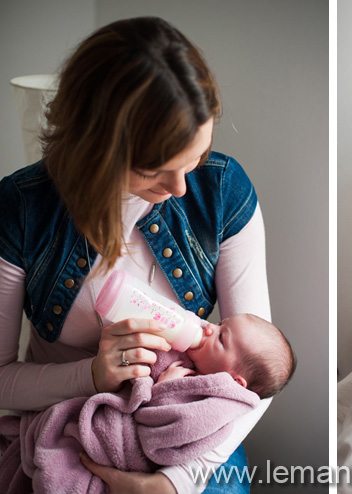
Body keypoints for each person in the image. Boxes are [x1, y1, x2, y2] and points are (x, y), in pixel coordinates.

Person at [0, 17, 273, 493]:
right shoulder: (21, 209)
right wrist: (90, 376)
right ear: (94, 152)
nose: (179, 188)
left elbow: (254, 380)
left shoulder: (223, 192)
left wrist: (174, 482)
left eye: (195, 159)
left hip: (188, 434)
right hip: (60, 427)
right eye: (153, 173)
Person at [157, 314, 296, 400]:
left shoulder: (210, 407)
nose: (210, 327)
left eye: (221, 338)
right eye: (219, 323)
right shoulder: (196, 336)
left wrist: (164, 388)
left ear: (234, 382)